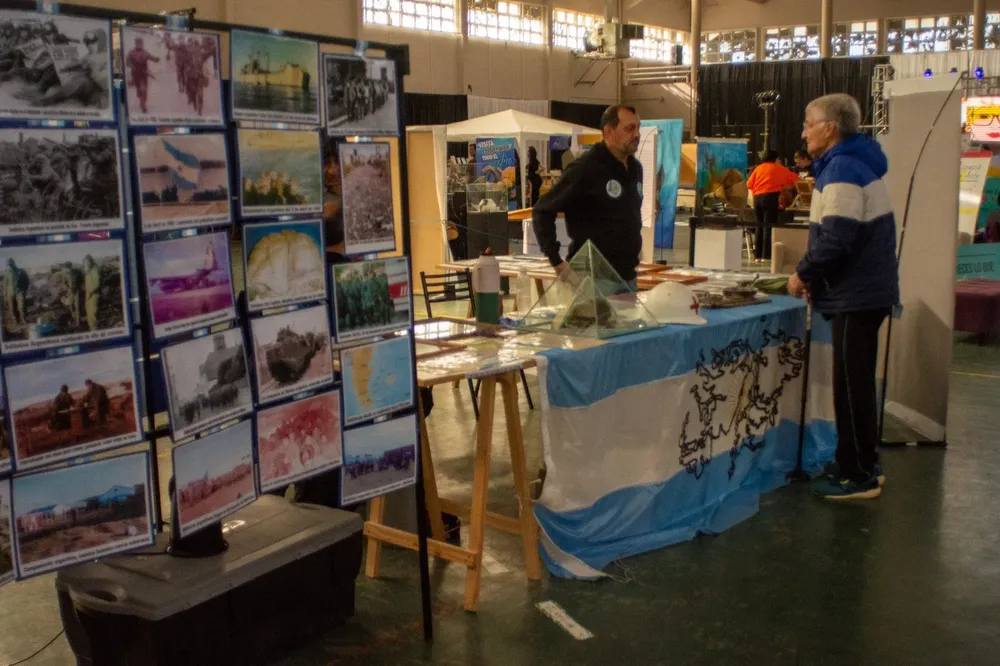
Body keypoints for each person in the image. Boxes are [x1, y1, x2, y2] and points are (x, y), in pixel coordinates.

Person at [788, 93, 899, 500]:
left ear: (830, 128)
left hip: (857, 294)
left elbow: (837, 237)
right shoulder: (852, 163)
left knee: (851, 387)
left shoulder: (842, 169)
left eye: (809, 124)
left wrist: (803, 273)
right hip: (861, 293)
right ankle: (861, 460)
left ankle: (857, 474)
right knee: (856, 384)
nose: (804, 133)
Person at [532, 104, 643, 291]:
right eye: (629, 128)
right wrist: (555, 260)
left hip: (628, 277)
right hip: (593, 278)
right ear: (608, 132)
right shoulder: (586, 168)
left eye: (638, 128)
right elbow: (542, 210)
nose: (637, 134)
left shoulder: (635, 169)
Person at [747, 150, 799, 261]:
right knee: (769, 226)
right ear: (775, 159)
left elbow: (749, 184)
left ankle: (757, 255)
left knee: (759, 226)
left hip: (757, 198)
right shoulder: (779, 168)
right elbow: (795, 180)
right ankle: (766, 256)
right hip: (771, 198)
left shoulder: (758, 168)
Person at [4, 258, 28, 326]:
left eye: (11, 264)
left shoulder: (20, 271)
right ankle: (15, 320)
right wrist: (5, 294)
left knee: (21, 305)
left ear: (14, 263)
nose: (10, 266)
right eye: (9, 265)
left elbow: (26, 281)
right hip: (10, 292)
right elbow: (5, 284)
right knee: (12, 307)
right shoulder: (7, 272)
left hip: (19, 291)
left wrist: (24, 290)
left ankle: (23, 319)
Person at [83, 254, 101, 331]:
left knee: (93, 313)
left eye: (87, 262)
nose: (86, 264)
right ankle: (91, 328)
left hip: (93, 294)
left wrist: (90, 291)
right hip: (89, 294)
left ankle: (94, 330)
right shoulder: (89, 270)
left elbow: (97, 283)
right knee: (89, 312)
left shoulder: (94, 269)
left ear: (90, 261)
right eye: (85, 262)